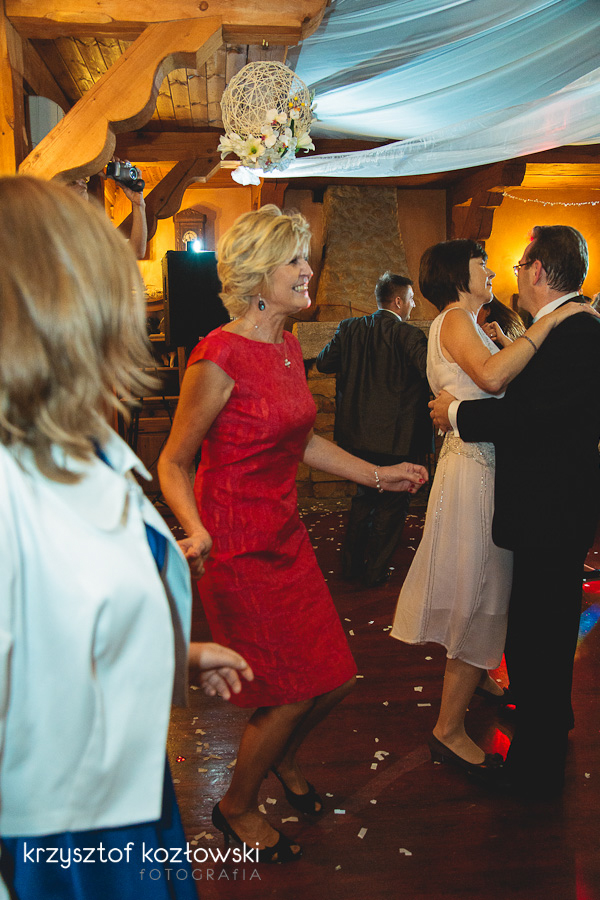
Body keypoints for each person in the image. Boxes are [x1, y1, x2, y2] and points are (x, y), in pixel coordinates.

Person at [0, 175, 253, 900]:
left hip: (124, 794)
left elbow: (53, 631)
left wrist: (175, 654)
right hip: (58, 835)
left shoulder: (75, 445)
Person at [157, 205, 428, 862]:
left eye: (305, 258)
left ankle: (280, 757)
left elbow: (300, 439)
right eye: (296, 261)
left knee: (335, 677)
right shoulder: (217, 356)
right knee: (290, 692)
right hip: (235, 547)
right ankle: (235, 806)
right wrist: (194, 529)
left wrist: (378, 474)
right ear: (259, 276)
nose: (309, 271)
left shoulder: (285, 345)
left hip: (285, 537)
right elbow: (173, 461)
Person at [390, 237, 592, 782]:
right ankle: (455, 725)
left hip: (522, 488)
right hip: (485, 477)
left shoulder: (542, 326)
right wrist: (539, 331)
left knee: (507, 606)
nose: (500, 271)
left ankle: (516, 718)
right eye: (483, 263)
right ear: (460, 273)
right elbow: (496, 380)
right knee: (484, 596)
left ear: (539, 272)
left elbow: (520, 399)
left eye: (517, 263)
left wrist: (459, 407)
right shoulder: (459, 319)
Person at [316, 272, 431, 586]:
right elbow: (430, 374)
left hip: (357, 435)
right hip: (399, 438)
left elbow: (324, 363)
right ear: (398, 302)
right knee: (392, 505)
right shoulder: (410, 335)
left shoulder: (350, 328)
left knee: (364, 498)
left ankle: (351, 567)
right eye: (411, 299)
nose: (413, 304)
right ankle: (376, 572)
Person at [67, 157, 148, 259]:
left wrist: (138, 204)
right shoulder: (54, 226)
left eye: (84, 180)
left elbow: (136, 252)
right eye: (72, 182)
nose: (82, 183)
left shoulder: (92, 231)